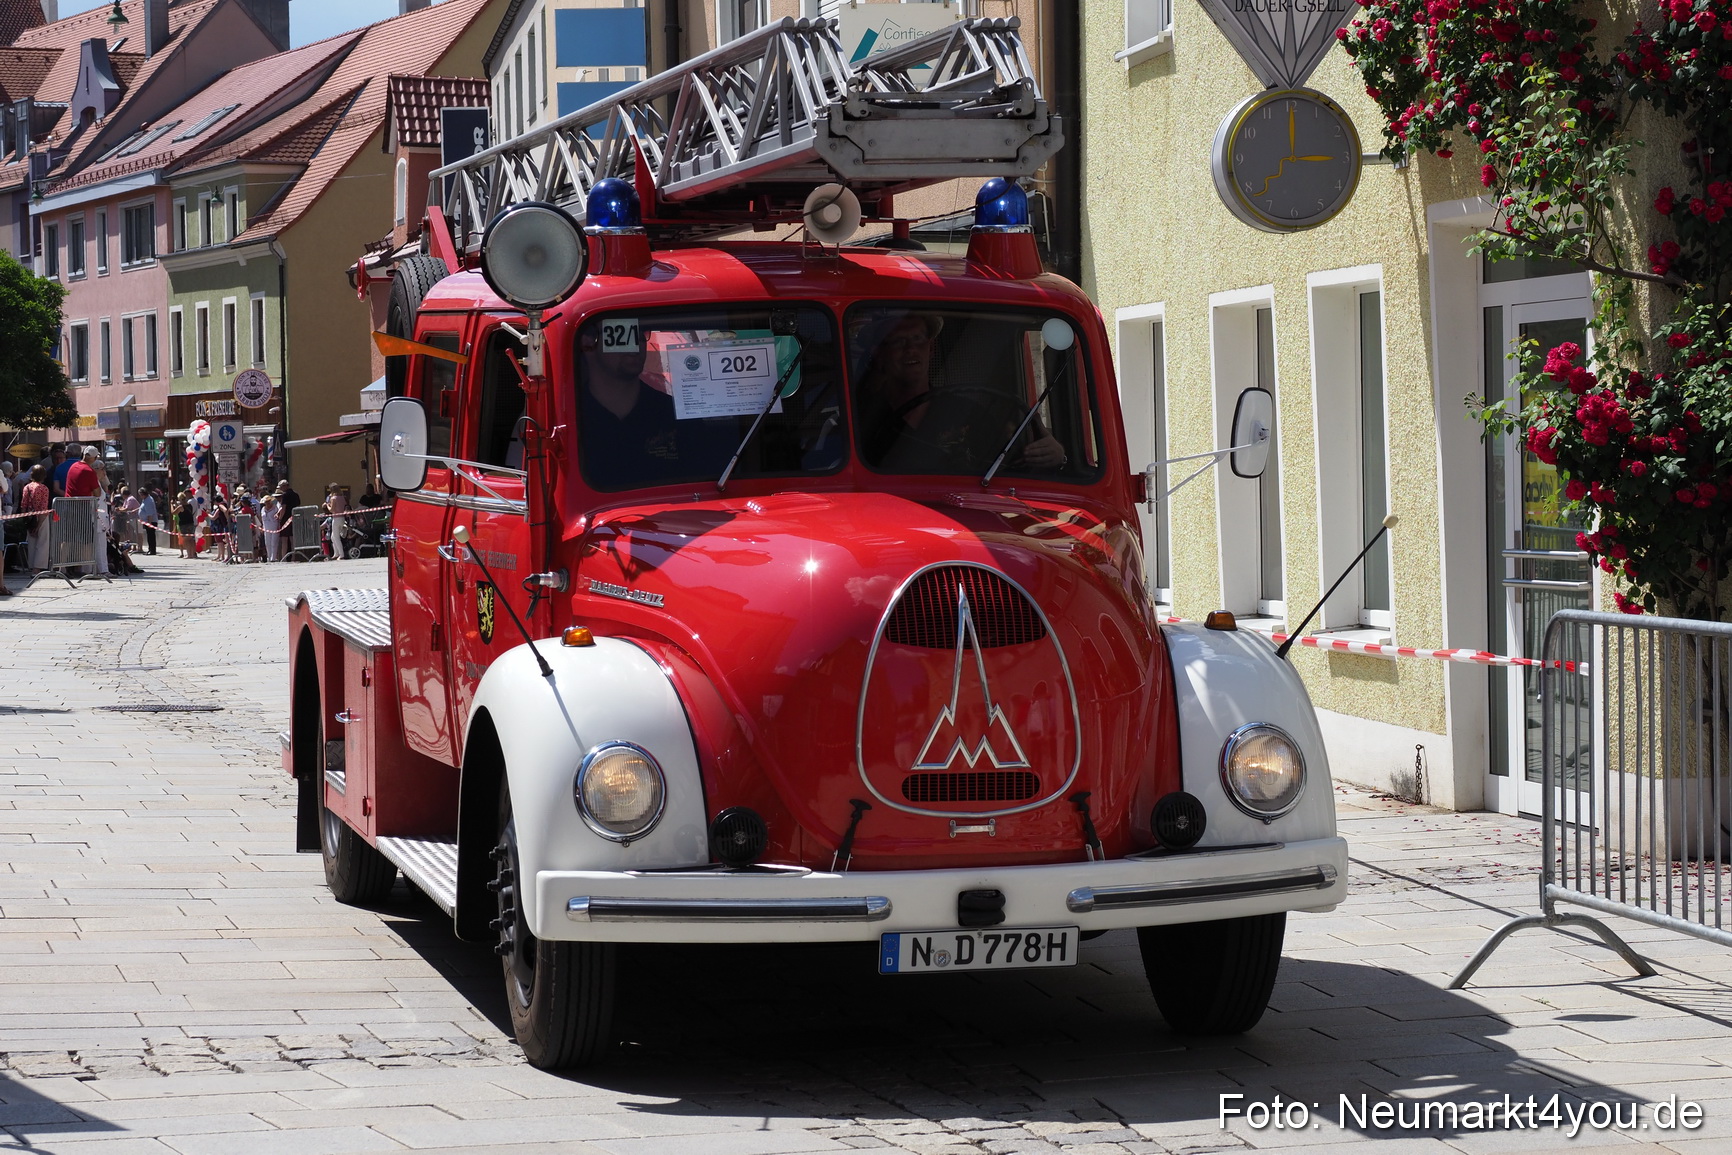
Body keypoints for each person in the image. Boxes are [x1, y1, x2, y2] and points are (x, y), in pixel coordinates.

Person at [855, 313, 1066, 473]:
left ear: (931, 348)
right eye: (899, 341)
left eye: (918, 339)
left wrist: (1055, 454)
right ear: (879, 353)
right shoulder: (860, 416)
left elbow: (1010, 460)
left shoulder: (968, 412)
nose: (911, 349)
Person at [578, 333, 687, 488]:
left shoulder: (673, 412)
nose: (635, 345)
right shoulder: (570, 418)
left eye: (640, 335)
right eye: (621, 332)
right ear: (588, 341)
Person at [21, 464, 50, 573]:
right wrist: (38, 525)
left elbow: (23, 505)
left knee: (32, 542)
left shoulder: (26, 487)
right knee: (42, 542)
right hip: (41, 517)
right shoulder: (44, 488)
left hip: (29, 516)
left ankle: (32, 566)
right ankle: (38, 567)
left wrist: (26, 520)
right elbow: (43, 507)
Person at [322, 484, 348, 560]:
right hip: (342, 517)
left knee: (336, 537)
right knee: (333, 536)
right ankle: (336, 553)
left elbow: (332, 510)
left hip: (336, 518)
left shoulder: (333, 498)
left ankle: (341, 554)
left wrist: (327, 505)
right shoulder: (342, 498)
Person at [172, 490, 197, 558]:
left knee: (186, 540)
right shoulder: (189, 505)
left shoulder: (180, 507)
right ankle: (192, 553)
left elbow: (173, 512)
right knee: (191, 539)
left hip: (184, 524)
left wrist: (172, 505)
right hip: (191, 523)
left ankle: (189, 554)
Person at [260, 485, 282, 562]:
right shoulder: (263, 509)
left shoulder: (275, 508)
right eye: (266, 502)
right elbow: (262, 519)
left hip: (274, 526)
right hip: (266, 527)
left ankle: (273, 557)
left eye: (268, 502)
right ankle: (269, 557)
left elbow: (278, 517)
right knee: (267, 542)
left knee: (274, 542)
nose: (267, 504)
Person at [136, 488, 157, 556]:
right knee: (149, 536)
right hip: (146, 521)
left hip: (150, 521)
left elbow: (150, 513)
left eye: (140, 495)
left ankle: (152, 550)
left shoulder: (149, 501)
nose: (140, 496)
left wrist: (149, 523)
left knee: (151, 536)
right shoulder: (145, 500)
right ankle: (150, 549)